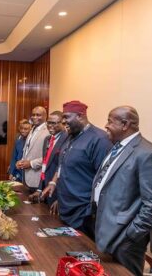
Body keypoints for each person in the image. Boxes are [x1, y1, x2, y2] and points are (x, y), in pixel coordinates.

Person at [93, 106, 152, 275]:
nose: (106, 125)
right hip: (107, 229)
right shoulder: (117, 146)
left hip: (125, 237)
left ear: (125, 124)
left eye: (110, 121)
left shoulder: (148, 153)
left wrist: (131, 235)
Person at [42, 101, 111, 239]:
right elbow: (62, 165)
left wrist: (90, 210)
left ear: (80, 116)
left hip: (83, 211)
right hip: (65, 206)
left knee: (83, 250)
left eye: (67, 117)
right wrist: (54, 184)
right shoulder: (69, 136)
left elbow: (103, 179)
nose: (63, 121)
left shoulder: (99, 139)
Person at [28, 111, 67, 205]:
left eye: (54, 123)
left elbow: (64, 169)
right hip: (45, 189)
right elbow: (44, 165)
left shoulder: (67, 139)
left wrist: (60, 199)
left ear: (63, 123)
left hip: (57, 192)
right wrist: (40, 189)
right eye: (48, 122)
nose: (50, 125)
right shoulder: (48, 139)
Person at [16, 106, 50, 191]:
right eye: (33, 115)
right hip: (26, 177)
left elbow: (49, 157)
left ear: (45, 116)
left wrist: (31, 163)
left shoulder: (48, 131)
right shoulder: (32, 129)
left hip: (37, 179)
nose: (35, 117)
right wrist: (21, 161)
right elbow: (27, 150)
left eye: (38, 115)